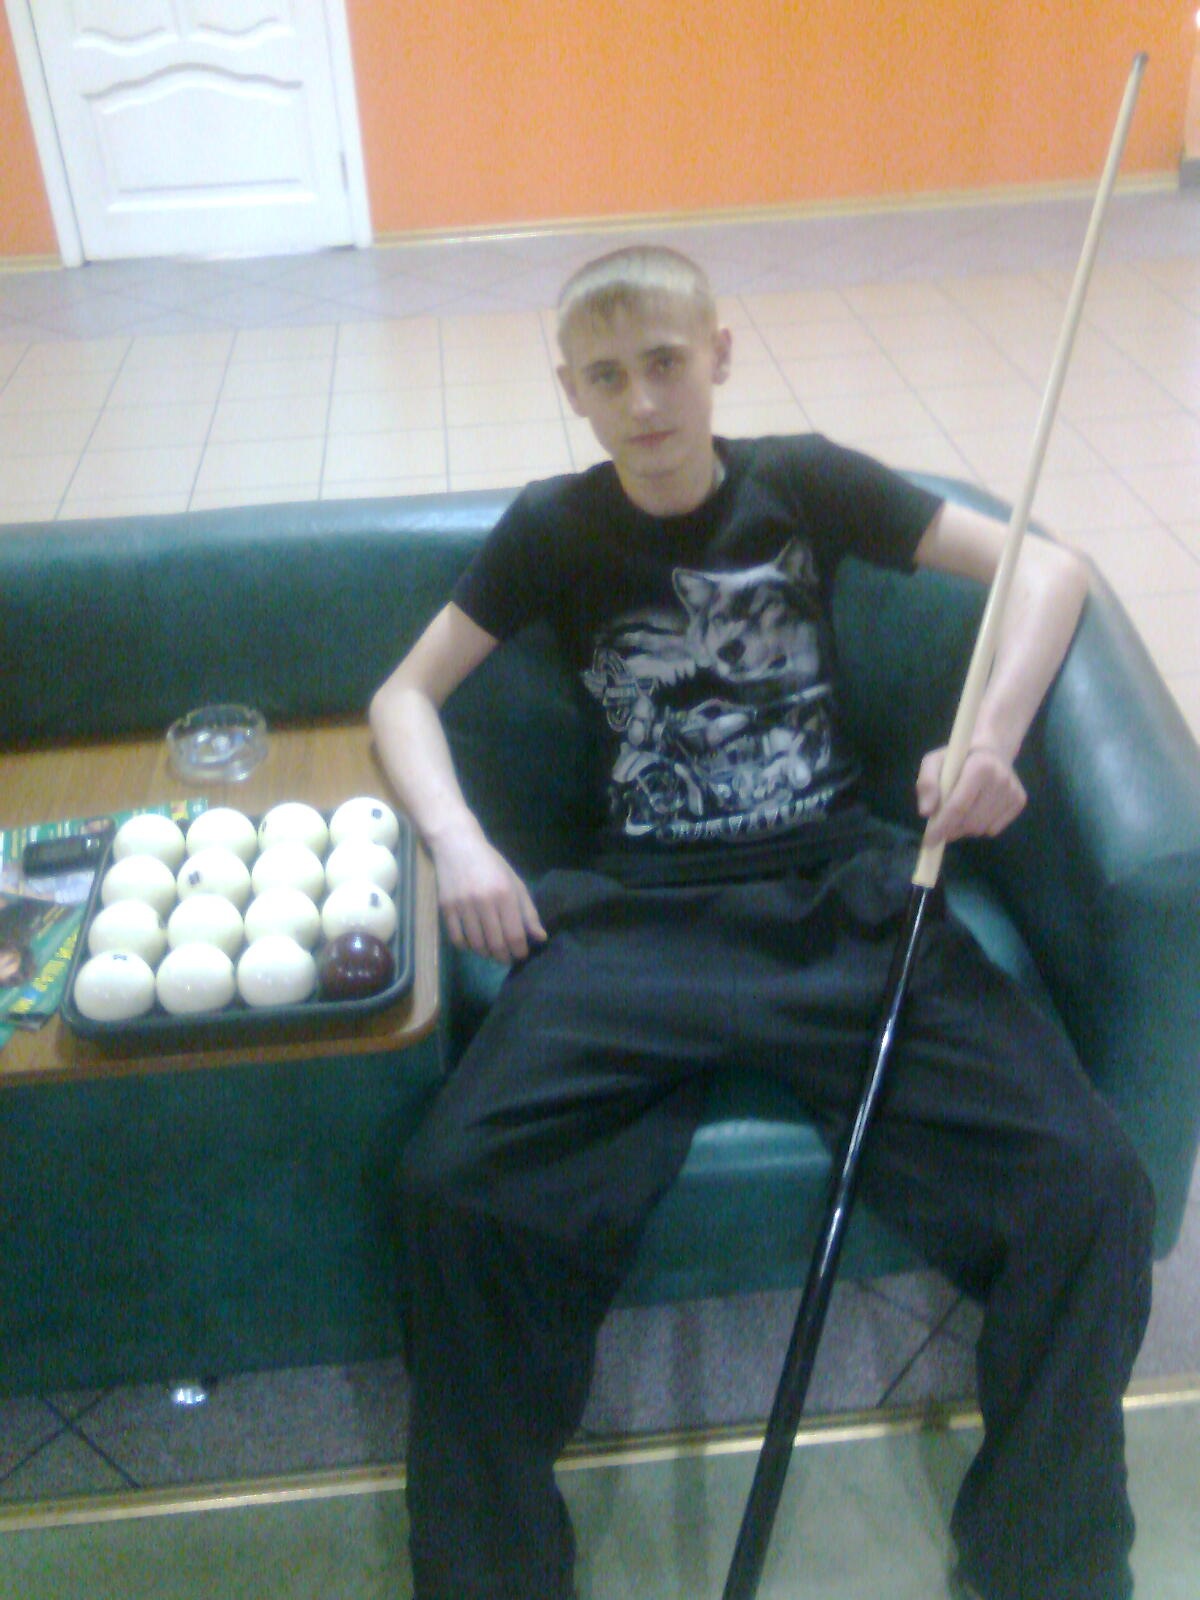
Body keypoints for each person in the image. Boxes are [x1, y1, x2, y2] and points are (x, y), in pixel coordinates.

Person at [369, 245, 1154, 1600]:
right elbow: (402, 695)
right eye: (606, 377)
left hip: (841, 897)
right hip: (632, 922)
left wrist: (989, 737)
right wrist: (460, 844)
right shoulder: (552, 527)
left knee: (1092, 1188)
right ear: (570, 389)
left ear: (720, 355)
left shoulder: (804, 479)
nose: (643, 402)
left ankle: (1048, 1563)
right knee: (454, 1197)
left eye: (665, 362)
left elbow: (1050, 569)